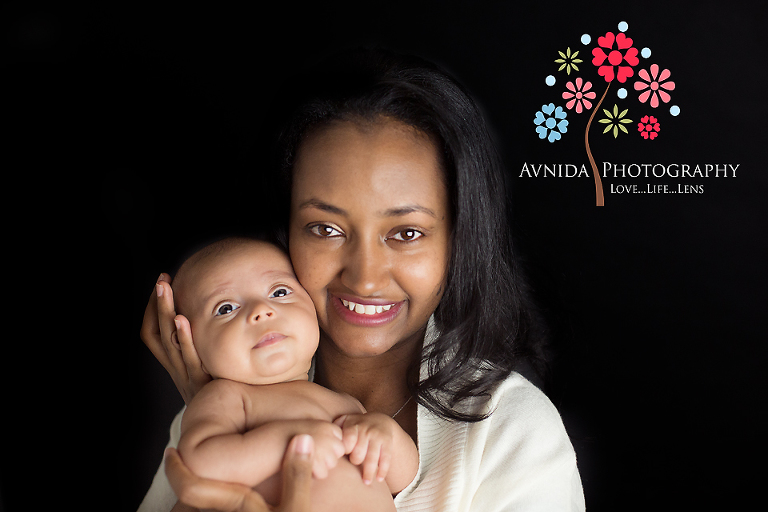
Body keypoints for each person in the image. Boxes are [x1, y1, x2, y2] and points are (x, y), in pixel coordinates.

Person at [140, 48, 586, 511]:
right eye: (325, 229)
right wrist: (222, 415)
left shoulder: (511, 432)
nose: (366, 278)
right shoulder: (229, 404)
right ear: (284, 233)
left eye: (406, 233)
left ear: (459, 240)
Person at [160, 237, 417, 511]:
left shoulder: (344, 402)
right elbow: (199, 462)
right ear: (188, 342)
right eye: (226, 308)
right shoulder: (227, 396)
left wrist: (386, 436)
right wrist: (292, 440)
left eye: (279, 292)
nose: (261, 311)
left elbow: (402, 480)